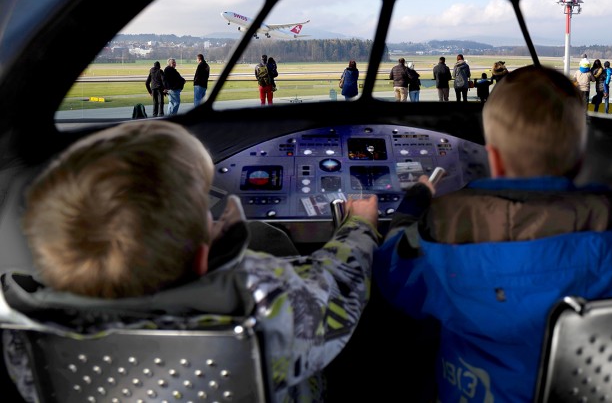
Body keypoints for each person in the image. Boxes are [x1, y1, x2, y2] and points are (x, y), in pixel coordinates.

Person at [4, 120, 381, 402]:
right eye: (208, 212)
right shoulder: (264, 300)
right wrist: (359, 226)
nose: (216, 218)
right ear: (204, 257)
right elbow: (338, 282)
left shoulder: (24, 340)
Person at [374, 65, 612, 403]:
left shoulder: (442, 225)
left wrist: (412, 206)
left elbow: (392, 276)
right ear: (578, 160)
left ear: (495, 160)